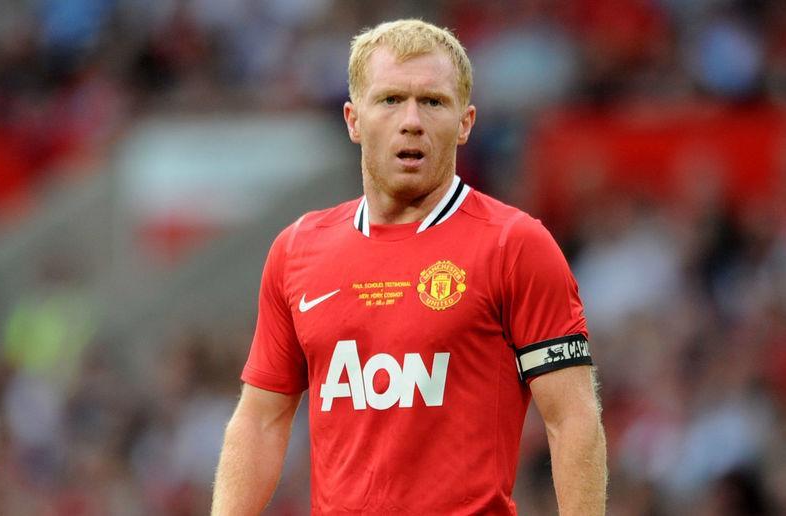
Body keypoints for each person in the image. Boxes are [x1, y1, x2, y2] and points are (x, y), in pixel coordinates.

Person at [211, 19, 607, 515]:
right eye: (391, 99)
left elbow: (572, 418)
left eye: (434, 102)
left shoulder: (515, 245)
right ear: (354, 119)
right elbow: (260, 421)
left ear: (465, 123)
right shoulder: (296, 250)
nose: (412, 120)